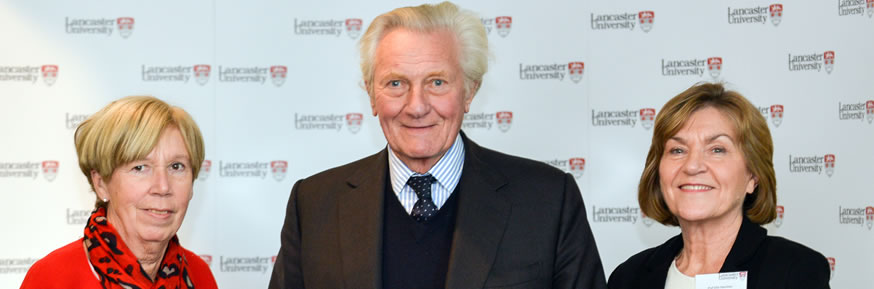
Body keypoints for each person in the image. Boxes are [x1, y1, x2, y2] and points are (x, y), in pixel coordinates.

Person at [269, 2, 606, 289]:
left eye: (437, 82)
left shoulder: (547, 200)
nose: (417, 106)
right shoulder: (313, 205)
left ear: (470, 91)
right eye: (396, 83)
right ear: (372, 94)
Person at [608, 83, 830, 289]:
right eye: (677, 150)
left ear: (753, 175)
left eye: (717, 149)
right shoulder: (628, 278)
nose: (692, 166)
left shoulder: (795, 272)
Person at [20, 96, 217, 289]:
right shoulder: (52, 279)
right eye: (140, 167)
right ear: (101, 184)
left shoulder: (199, 275)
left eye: (176, 166)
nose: (163, 187)